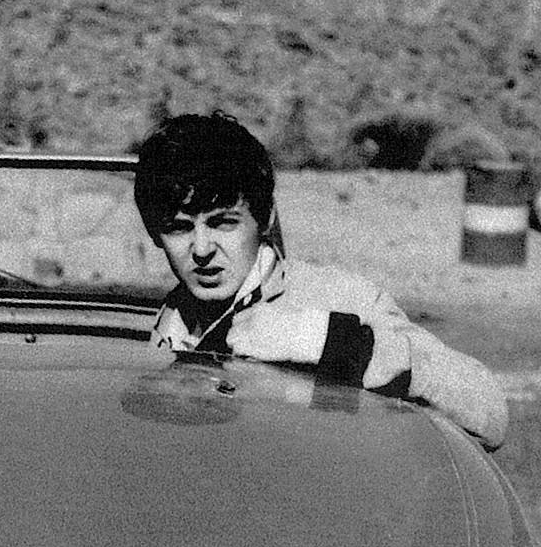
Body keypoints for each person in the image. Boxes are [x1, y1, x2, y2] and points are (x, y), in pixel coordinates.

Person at [133, 112, 508, 449]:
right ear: (155, 234)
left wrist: (336, 345)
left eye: (223, 223)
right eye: (179, 229)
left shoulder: (338, 298)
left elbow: (490, 414)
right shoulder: (175, 314)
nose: (201, 249)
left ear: (263, 221)